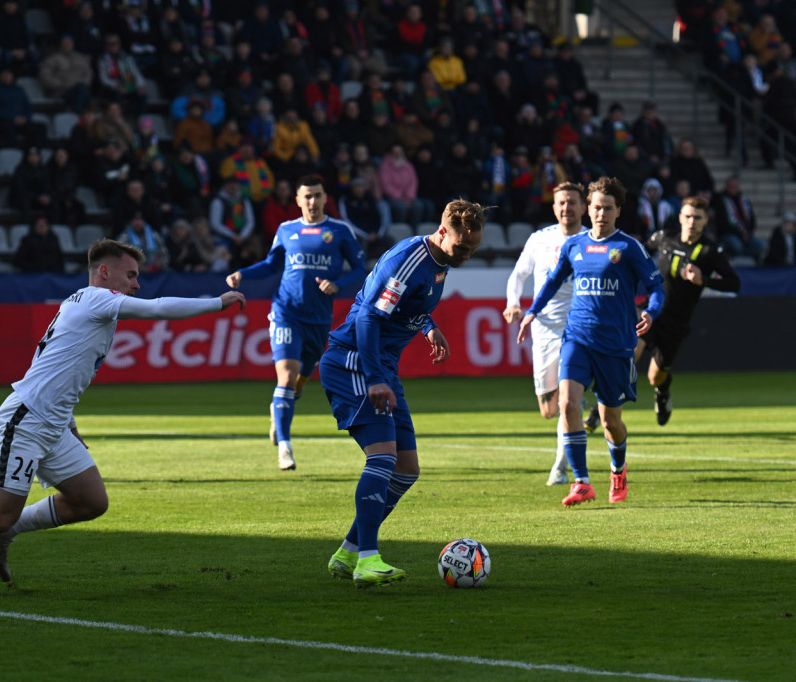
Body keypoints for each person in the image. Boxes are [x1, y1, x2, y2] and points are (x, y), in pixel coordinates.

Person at [0, 240, 246, 593]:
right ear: (104, 272)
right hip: (26, 422)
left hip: (53, 424)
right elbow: (157, 308)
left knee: (91, 502)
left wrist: (70, 425)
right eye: (131, 275)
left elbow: (56, 371)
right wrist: (216, 303)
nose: (136, 284)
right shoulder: (97, 299)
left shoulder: (83, 305)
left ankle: (10, 530)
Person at [320, 199, 487, 588]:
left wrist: (428, 326)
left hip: (381, 368)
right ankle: (368, 559)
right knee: (382, 457)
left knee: (407, 469)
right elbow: (367, 315)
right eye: (462, 246)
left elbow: (405, 302)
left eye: (473, 248)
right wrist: (375, 377)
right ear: (442, 231)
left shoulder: (438, 262)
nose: (467, 254)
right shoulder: (409, 258)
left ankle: (347, 552)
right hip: (354, 363)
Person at [517, 177, 665, 507]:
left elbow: (657, 288)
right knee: (568, 403)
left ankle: (618, 469)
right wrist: (532, 311)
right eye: (596, 207)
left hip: (615, 344)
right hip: (577, 337)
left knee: (611, 420)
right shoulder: (575, 245)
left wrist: (652, 312)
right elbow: (554, 280)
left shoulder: (628, 247)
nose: (600, 213)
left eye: (607, 208)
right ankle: (582, 482)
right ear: (589, 208)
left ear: (618, 211)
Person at [227, 175, 367, 470]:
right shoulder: (286, 229)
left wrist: (338, 284)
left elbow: (359, 269)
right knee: (287, 378)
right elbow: (271, 264)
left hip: (318, 319)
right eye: (307, 196)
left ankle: (279, 411)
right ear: (298, 200)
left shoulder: (340, 231)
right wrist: (243, 274)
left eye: (317, 195)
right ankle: (285, 448)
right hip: (286, 312)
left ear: (325, 197)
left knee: (300, 382)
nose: (312, 202)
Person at [503, 182, 587, 487]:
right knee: (549, 410)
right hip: (543, 330)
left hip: (578, 329)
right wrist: (513, 303)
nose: (567, 208)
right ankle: (581, 410)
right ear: (554, 208)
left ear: (584, 207)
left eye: (573, 202)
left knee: (567, 401)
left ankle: (561, 467)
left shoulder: (591, 241)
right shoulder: (540, 239)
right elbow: (519, 274)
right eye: (561, 203)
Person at [634, 197, 741, 425]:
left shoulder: (711, 251)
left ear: (705, 221)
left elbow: (734, 283)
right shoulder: (665, 237)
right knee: (629, 353)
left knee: (655, 377)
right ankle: (598, 410)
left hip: (676, 322)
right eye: (688, 216)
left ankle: (662, 393)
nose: (692, 221)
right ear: (681, 217)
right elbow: (641, 251)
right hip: (650, 310)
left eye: (698, 218)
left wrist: (704, 280)